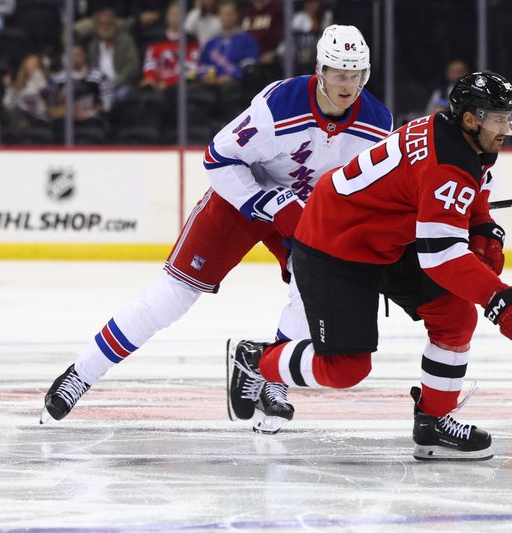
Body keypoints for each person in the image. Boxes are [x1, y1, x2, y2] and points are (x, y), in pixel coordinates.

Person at [41, 25, 393, 434]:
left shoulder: (377, 123)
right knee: (172, 295)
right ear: (320, 70)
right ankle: (81, 373)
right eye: (338, 73)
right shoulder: (279, 106)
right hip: (240, 196)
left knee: (310, 291)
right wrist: (265, 201)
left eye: (355, 74)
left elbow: (365, 189)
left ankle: (272, 383)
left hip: (306, 212)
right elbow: (218, 158)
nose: (347, 84)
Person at [227, 71, 512, 461]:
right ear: (470, 118)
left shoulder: (458, 139)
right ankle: (255, 360)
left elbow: (473, 194)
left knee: (454, 313)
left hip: (388, 241)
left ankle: (433, 422)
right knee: (345, 369)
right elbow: (441, 257)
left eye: (509, 119)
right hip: (335, 245)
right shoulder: (446, 164)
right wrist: (503, 301)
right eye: (500, 119)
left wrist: (485, 228)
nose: (507, 129)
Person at [195, 0, 259, 88]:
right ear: (219, 16)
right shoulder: (211, 41)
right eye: (223, 14)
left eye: (229, 14)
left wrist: (232, 76)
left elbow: (250, 66)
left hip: (237, 85)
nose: (226, 17)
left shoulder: (247, 39)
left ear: (236, 16)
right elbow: (203, 64)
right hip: (211, 85)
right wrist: (205, 76)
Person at [140, 1, 201, 92]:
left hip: (181, 87)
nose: (175, 18)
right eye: (172, 14)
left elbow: (193, 68)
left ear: (184, 17)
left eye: (178, 14)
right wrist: (150, 78)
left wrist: (169, 83)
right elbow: (150, 63)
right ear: (167, 16)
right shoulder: (156, 39)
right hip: (157, 84)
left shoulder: (191, 40)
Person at [87, 8, 140, 104]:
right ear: (97, 27)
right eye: (102, 24)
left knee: (119, 96)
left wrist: (115, 82)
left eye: (108, 24)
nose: (105, 27)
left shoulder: (126, 41)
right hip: (100, 88)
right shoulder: (93, 46)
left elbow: (133, 66)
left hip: (122, 85)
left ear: (115, 25)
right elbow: (92, 69)